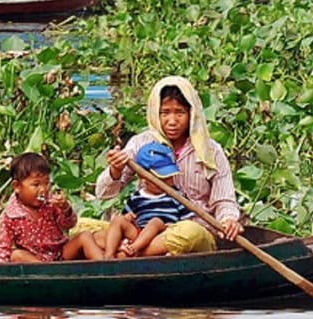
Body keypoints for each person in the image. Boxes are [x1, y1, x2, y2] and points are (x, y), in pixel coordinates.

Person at [95, 76, 243, 255]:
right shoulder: (141, 143)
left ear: (191, 113)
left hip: (191, 232)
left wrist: (228, 220)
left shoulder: (211, 150)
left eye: (179, 113)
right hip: (143, 232)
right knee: (81, 227)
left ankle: (127, 252)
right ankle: (135, 250)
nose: (172, 121)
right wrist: (115, 170)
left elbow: (224, 200)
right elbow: (103, 194)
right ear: (155, 113)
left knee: (188, 232)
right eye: (165, 113)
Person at [0, 152, 104, 263]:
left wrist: (65, 209)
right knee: (16, 255)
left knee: (85, 236)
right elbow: (2, 250)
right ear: (17, 186)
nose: (43, 189)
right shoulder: (10, 216)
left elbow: (68, 224)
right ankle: (48, 273)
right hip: (35, 261)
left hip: (61, 253)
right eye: (36, 185)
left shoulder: (51, 204)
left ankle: (105, 268)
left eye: (46, 183)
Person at [101, 142, 192, 259]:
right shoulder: (136, 198)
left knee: (156, 222)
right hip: (138, 234)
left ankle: (133, 250)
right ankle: (109, 255)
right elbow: (125, 219)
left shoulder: (177, 196)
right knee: (118, 220)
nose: (166, 182)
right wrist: (128, 218)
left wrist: (175, 226)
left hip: (162, 236)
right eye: (161, 179)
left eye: (169, 177)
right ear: (143, 178)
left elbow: (188, 221)